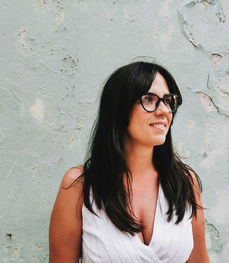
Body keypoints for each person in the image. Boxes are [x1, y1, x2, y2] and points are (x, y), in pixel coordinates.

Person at [49, 61, 210, 263]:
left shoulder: (185, 182)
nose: (164, 111)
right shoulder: (80, 186)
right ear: (120, 108)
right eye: (149, 100)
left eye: (168, 100)